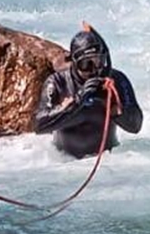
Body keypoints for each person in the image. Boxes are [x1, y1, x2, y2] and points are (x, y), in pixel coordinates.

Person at [33, 24, 143, 158]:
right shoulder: (58, 82)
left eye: (98, 62)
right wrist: (74, 104)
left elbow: (136, 126)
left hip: (108, 161)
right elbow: (39, 125)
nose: (93, 70)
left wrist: (117, 111)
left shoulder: (116, 80)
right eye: (85, 64)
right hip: (63, 163)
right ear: (73, 62)